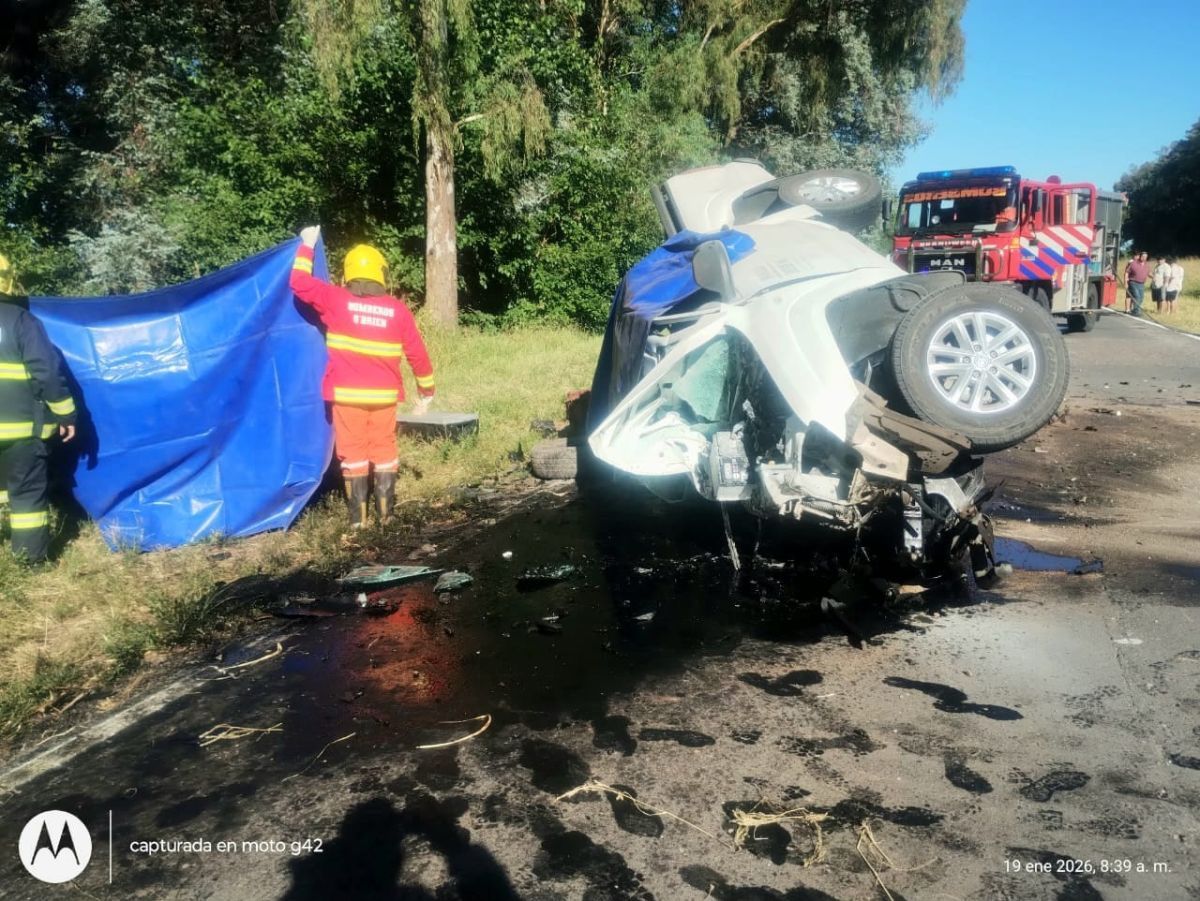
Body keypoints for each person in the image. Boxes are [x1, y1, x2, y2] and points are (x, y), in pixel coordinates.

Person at [289, 227, 435, 528]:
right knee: (384, 450)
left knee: (353, 453)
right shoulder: (397, 311)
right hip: (383, 398)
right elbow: (418, 354)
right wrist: (427, 391)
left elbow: (299, 283)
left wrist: (307, 245)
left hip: (348, 396)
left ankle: (359, 521)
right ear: (381, 274)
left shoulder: (335, 300)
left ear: (348, 274)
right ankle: (387, 516)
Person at [0, 252, 77, 563]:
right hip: (21, 431)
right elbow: (46, 370)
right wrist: (66, 413)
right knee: (27, 496)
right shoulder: (20, 320)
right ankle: (28, 562)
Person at [1124, 251, 1149, 316]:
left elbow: (1148, 273)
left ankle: (1135, 310)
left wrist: (1153, 276)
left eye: (1146, 257)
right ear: (1140, 256)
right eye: (1143, 256)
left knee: (1141, 298)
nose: (1144, 258)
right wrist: (1125, 282)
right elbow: (1127, 272)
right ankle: (1136, 311)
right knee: (1137, 296)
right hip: (1133, 282)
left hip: (1141, 284)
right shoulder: (1133, 263)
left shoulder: (1146, 265)